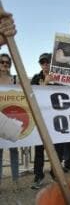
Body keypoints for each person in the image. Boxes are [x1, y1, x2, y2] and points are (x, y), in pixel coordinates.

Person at [30, 53, 67, 189]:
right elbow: (31, 95)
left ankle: (55, 172)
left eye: (47, 62)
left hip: (57, 120)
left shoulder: (62, 78)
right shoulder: (35, 78)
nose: (45, 64)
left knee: (58, 149)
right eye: (43, 62)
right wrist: (45, 84)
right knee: (39, 149)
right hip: (41, 120)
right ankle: (38, 175)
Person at [0, 53, 19, 185]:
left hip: (12, 117)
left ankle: (15, 180)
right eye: (2, 62)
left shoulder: (15, 79)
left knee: (14, 149)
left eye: (7, 63)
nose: (4, 64)